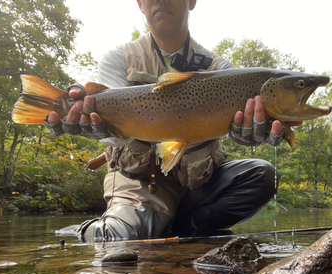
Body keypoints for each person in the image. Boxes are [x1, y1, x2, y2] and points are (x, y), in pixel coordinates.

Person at [46, 0, 300, 241]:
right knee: (119, 238)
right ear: (139, 4)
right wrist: (91, 124)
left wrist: (249, 134)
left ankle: (183, 226)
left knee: (262, 175)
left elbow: (236, 128)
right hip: (141, 184)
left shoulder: (221, 68)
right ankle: (94, 229)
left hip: (200, 182)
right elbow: (114, 128)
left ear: (192, 1)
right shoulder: (119, 58)